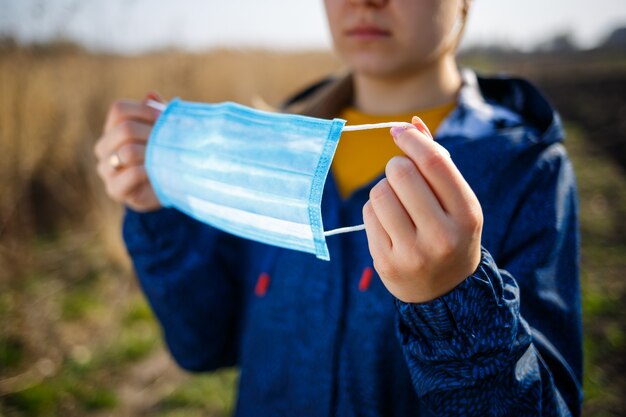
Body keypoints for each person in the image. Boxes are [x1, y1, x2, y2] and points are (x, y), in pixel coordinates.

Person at [94, 0, 583, 415]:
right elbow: (203, 344)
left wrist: (453, 300)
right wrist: (160, 210)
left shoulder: (525, 168)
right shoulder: (269, 148)